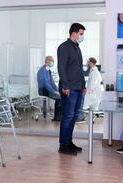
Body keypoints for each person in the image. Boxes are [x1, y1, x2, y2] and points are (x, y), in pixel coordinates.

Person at [57, 23, 86, 155]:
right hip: (69, 89)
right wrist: (65, 86)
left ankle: (69, 142)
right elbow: (61, 68)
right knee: (67, 117)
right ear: (73, 33)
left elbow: (79, 69)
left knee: (73, 117)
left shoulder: (77, 48)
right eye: (81, 33)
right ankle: (63, 145)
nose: (82, 36)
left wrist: (83, 85)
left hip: (78, 88)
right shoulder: (64, 47)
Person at [37, 56, 62, 121]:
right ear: (47, 61)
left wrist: (57, 90)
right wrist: (54, 92)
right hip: (43, 90)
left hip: (48, 89)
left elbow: (52, 82)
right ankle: (57, 117)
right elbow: (46, 84)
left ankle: (60, 115)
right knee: (59, 98)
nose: (52, 63)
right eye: (52, 61)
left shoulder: (48, 70)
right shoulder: (42, 70)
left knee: (61, 95)